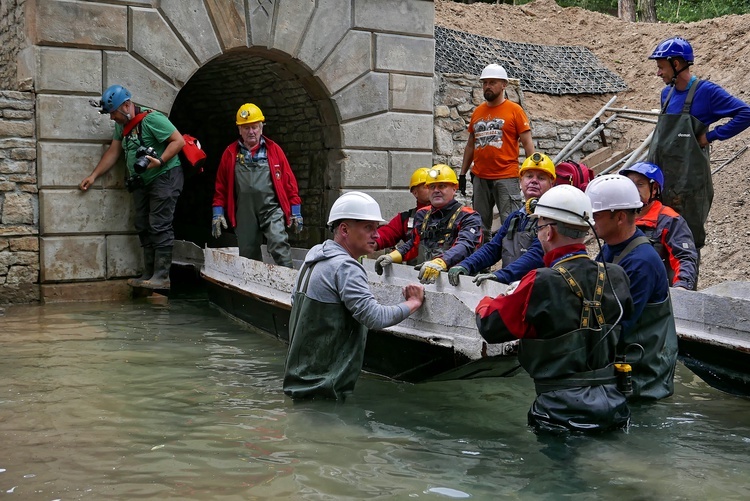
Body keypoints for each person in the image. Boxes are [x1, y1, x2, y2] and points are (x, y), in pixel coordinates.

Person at [475, 185, 633, 433]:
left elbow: (491, 326)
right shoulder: (616, 274)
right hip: (614, 405)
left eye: (539, 227)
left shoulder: (540, 280)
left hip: (559, 411)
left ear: (548, 232)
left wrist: (485, 300)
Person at [283, 191, 425, 401]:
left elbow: (295, 301)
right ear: (344, 229)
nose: (376, 235)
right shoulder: (345, 267)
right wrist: (412, 303)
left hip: (301, 382)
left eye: (376, 228)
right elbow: (375, 317)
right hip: (325, 389)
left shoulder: (314, 256)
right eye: (368, 228)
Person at [647, 37, 750, 249]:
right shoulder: (666, 94)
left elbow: (745, 113)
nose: (658, 73)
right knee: (658, 239)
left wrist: (711, 136)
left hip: (689, 188)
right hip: (664, 183)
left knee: (685, 243)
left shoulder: (707, 92)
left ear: (676, 64)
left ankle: (685, 283)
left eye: (661, 67)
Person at [82, 84, 185, 290]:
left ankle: (162, 276)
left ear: (127, 105)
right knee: (142, 223)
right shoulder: (122, 124)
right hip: (142, 181)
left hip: (165, 176)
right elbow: (114, 151)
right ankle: (148, 273)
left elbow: (178, 141)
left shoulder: (152, 119)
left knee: (159, 224)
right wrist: (94, 176)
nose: (112, 118)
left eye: (114, 113)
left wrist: (160, 161)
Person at [585, 174, 678, 401]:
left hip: (643, 380)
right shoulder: (610, 248)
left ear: (619, 217)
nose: (589, 220)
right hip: (622, 365)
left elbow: (621, 324)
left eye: (595, 215)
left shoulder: (641, 262)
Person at [212, 103, 302, 267]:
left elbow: (289, 182)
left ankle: (291, 283)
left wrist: (296, 211)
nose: (251, 132)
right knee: (248, 253)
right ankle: (253, 288)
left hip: (271, 208)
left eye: (254, 127)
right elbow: (221, 186)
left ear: (261, 128)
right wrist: (217, 213)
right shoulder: (231, 153)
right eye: (246, 128)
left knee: (278, 242)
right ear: (239, 130)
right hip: (244, 211)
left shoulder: (274, 150)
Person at [448, 152, 555, 286]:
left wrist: (500, 276)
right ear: (520, 181)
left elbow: (536, 255)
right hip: (511, 288)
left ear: (551, 184)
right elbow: (493, 248)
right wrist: (466, 265)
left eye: (541, 177)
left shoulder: (552, 220)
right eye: (529, 176)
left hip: (538, 290)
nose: (534, 180)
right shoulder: (516, 218)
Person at [460, 63, 535, 239]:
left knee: (513, 225)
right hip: (480, 177)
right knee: (478, 226)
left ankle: (513, 263)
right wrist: (463, 173)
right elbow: (471, 144)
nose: (487, 86)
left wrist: (531, 172)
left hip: (506, 176)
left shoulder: (515, 111)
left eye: (492, 82)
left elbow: (527, 143)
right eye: (485, 83)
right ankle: (481, 265)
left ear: (504, 85)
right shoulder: (478, 111)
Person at [374, 164, 483, 285]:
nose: (436, 190)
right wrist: (393, 256)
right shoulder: (422, 215)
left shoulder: (469, 216)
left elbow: (465, 245)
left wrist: (441, 262)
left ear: (454, 188)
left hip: (458, 282)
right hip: (425, 279)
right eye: (432, 187)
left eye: (442, 186)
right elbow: (414, 244)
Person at [619, 162, 698, 290]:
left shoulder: (670, 221)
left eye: (639, 184)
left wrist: (682, 287)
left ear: (654, 189)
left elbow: (684, 258)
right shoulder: (619, 217)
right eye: (629, 184)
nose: (633, 189)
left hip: (657, 297)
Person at [374, 167, 431, 264]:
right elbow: (386, 234)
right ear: (415, 192)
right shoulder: (405, 219)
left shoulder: (455, 215)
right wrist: (366, 242)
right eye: (426, 186)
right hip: (414, 275)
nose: (433, 189)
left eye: (436, 186)